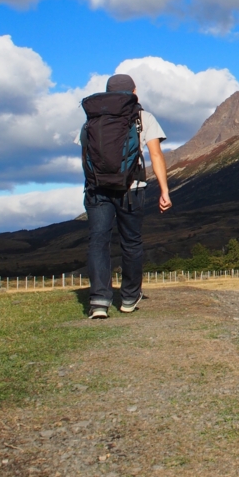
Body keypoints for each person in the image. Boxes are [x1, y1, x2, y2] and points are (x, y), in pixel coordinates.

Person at [79, 74, 172, 319]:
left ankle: (99, 301)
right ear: (134, 91)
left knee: (98, 242)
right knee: (131, 242)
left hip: (97, 190)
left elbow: (85, 154)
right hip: (132, 188)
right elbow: (156, 155)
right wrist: (164, 190)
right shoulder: (143, 117)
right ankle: (129, 297)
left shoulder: (92, 117)